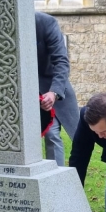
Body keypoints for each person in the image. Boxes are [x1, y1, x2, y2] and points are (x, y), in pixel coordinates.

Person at [36, 12, 79, 166]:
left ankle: (58, 176)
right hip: (27, 90)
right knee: (46, 134)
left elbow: (61, 61)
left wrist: (54, 92)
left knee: (56, 134)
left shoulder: (46, 23)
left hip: (53, 85)